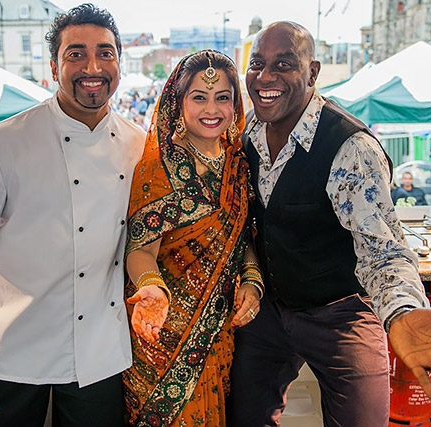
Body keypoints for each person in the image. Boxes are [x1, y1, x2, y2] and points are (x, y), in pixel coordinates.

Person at [228, 21, 431, 427]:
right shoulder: (249, 131)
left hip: (340, 313)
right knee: (243, 416)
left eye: (283, 64)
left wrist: (402, 311)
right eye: (257, 64)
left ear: (312, 72)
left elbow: (383, 249)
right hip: (270, 309)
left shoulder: (351, 147)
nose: (265, 77)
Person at [0, 4, 145, 427]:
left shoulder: (140, 146)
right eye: (75, 54)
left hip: (98, 355)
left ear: (120, 63)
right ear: (53, 67)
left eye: (105, 52)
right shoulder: (0, 144)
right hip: (10, 351)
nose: (92, 66)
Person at [122, 50, 262, 426]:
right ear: (178, 103)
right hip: (161, 330)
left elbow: (243, 237)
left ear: (235, 104)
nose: (211, 108)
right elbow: (139, 250)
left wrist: (252, 280)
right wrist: (151, 288)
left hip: (217, 332)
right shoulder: (159, 167)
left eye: (222, 97)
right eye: (198, 97)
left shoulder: (239, 165)